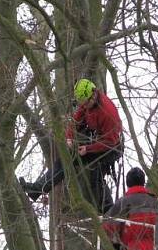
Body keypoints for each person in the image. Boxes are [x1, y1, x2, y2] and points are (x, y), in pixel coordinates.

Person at [20, 78, 122, 213]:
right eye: (83, 104)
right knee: (69, 161)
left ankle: (108, 211)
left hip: (111, 147)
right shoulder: (85, 102)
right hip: (97, 139)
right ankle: (37, 188)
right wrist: (69, 138)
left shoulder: (107, 113)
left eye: (86, 104)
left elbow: (110, 141)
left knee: (94, 177)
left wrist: (88, 149)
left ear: (93, 95)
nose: (84, 106)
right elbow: (74, 122)